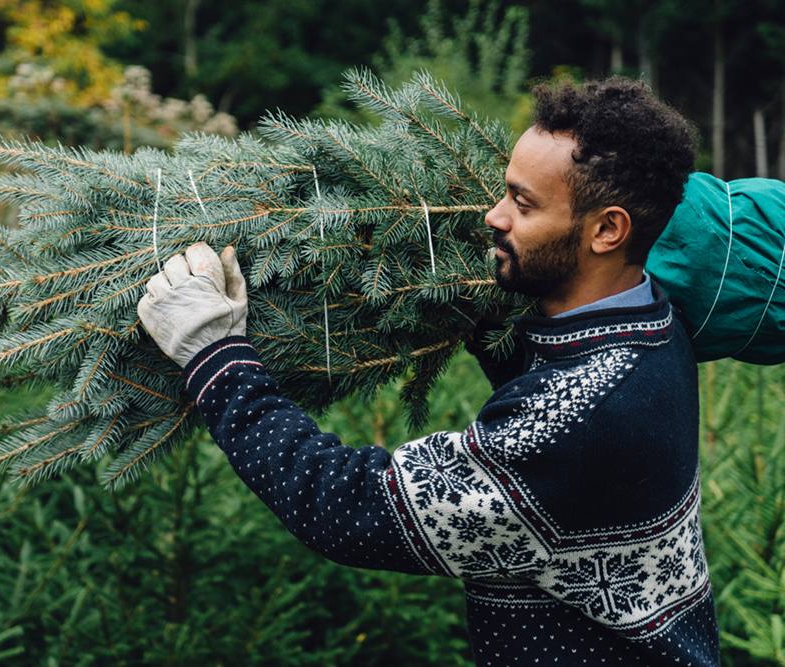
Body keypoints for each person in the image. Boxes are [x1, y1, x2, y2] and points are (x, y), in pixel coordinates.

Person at [137, 78, 720, 666]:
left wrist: (213, 354)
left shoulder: (581, 419)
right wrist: (440, 288)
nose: (494, 216)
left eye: (523, 204)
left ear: (607, 231)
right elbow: (542, 360)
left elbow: (348, 508)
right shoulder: (652, 323)